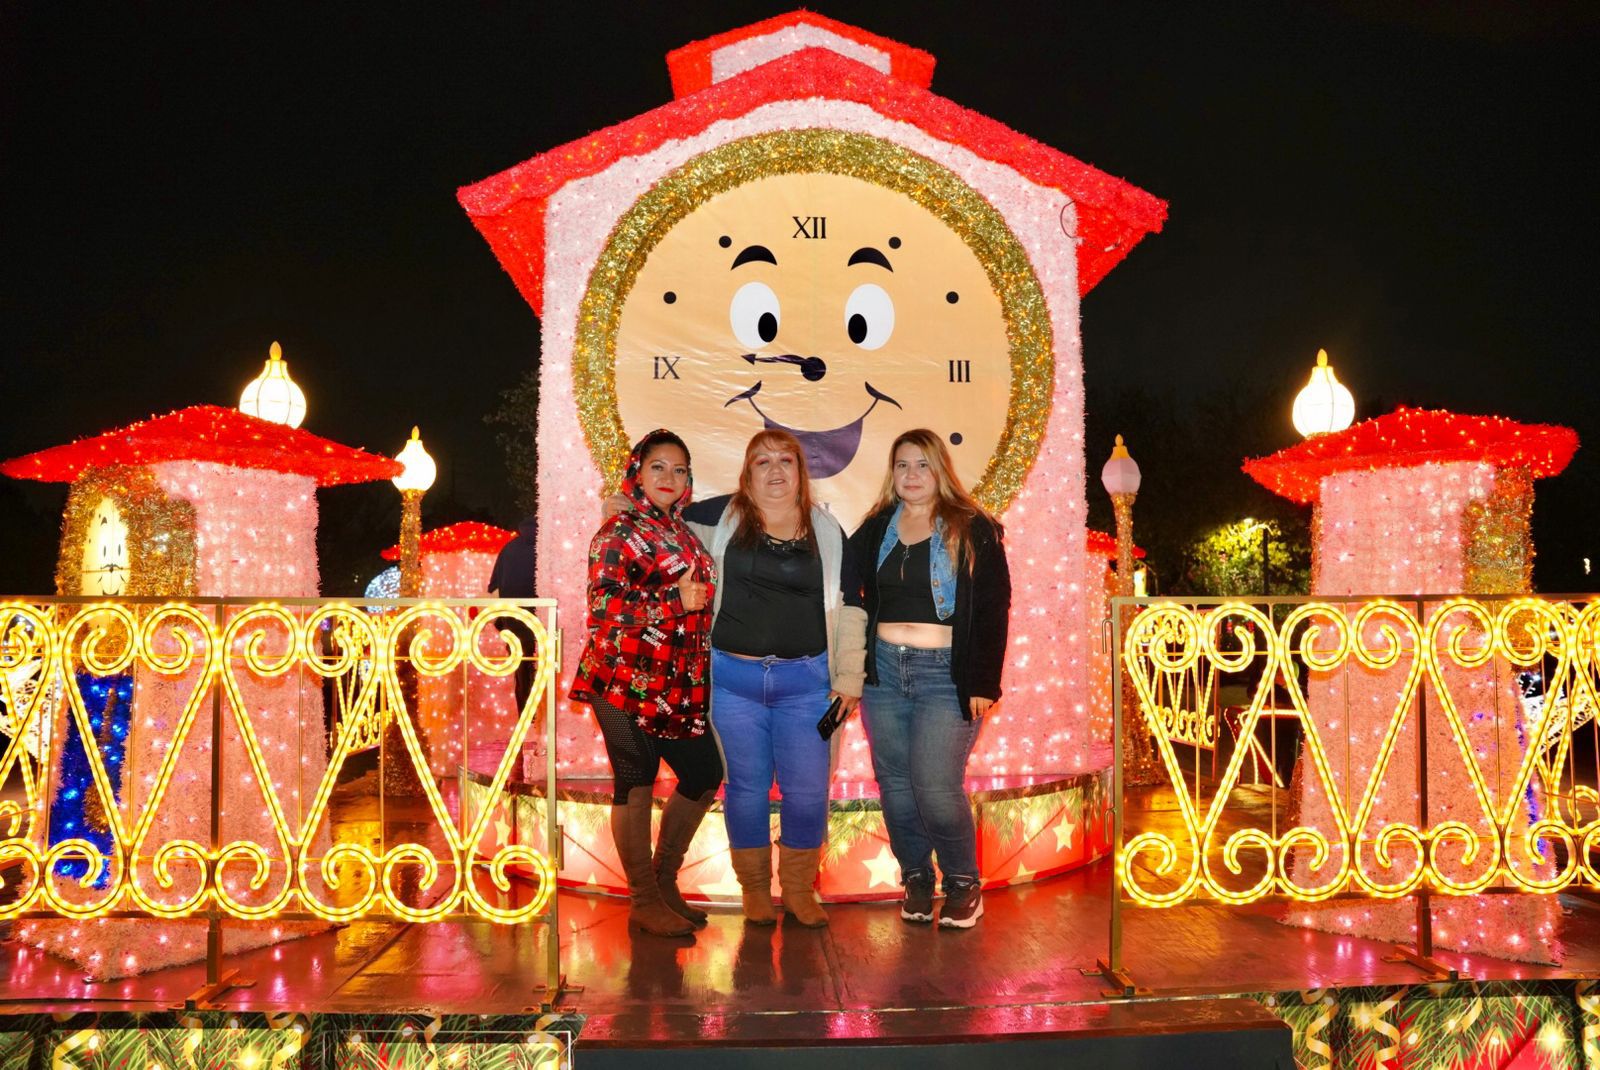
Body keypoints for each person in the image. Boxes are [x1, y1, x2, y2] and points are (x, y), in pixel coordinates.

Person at [682, 430, 867, 927]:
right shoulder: (712, 519)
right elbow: (654, 532)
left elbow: (850, 609)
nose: (775, 470)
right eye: (762, 461)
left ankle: (800, 890)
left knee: (808, 791)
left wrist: (850, 678)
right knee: (746, 788)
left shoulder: (828, 532)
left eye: (786, 460)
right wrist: (620, 506)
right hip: (732, 682)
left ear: (801, 472)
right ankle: (755, 892)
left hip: (808, 686)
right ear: (747, 473)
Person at [849, 429, 1011, 929]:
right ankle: (917, 877)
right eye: (902, 465)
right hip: (883, 675)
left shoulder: (973, 527)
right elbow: (831, 565)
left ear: (940, 469)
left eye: (922, 465)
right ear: (892, 472)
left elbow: (992, 607)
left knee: (936, 786)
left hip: (947, 676)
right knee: (896, 786)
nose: (911, 475)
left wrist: (984, 679)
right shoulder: (877, 527)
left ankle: (963, 882)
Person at [570, 430, 723, 937]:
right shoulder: (618, 531)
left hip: (674, 684)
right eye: (658, 467)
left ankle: (663, 883)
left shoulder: (679, 530)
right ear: (638, 470)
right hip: (620, 679)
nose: (669, 478)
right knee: (634, 778)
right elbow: (603, 609)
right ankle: (643, 899)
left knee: (703, 773)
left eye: (679, 470)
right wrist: (673, 603)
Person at [488, 516, 538, 711]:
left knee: (523, 673)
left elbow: (494, 590)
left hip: (515, 624)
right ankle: (546, 728)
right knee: (548, 673)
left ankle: (527, 721)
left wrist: (501, 621)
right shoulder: (550, 546)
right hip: (546, 623)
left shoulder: (509, 549)